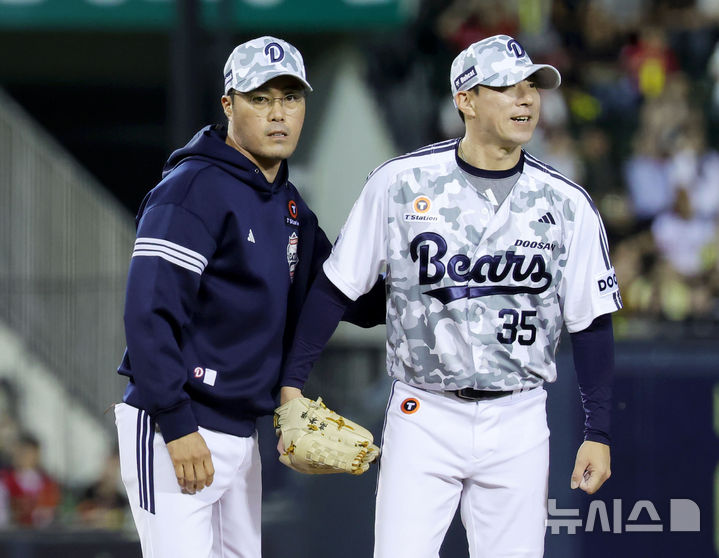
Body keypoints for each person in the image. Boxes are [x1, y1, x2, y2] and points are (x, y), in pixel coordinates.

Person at [280, 35, 622, 558]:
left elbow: (592, 323)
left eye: (532, 87)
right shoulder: (400, 183)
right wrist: (292, 386)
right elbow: (336, 287)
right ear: (466, 100)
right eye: (506, 87)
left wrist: (598, 431)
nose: (526, 98)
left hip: (520, 416)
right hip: (424, 412)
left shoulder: (567, 202)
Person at [114, 36, 382, 558]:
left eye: (290, 98)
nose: (278, 114)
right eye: (260, 99)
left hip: (241, 432)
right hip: (176, 423)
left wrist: (420, 279)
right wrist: (176, 423)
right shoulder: (192, 188)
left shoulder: (289, 204)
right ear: (228, 104)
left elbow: (345, 294)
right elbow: (148, 314)